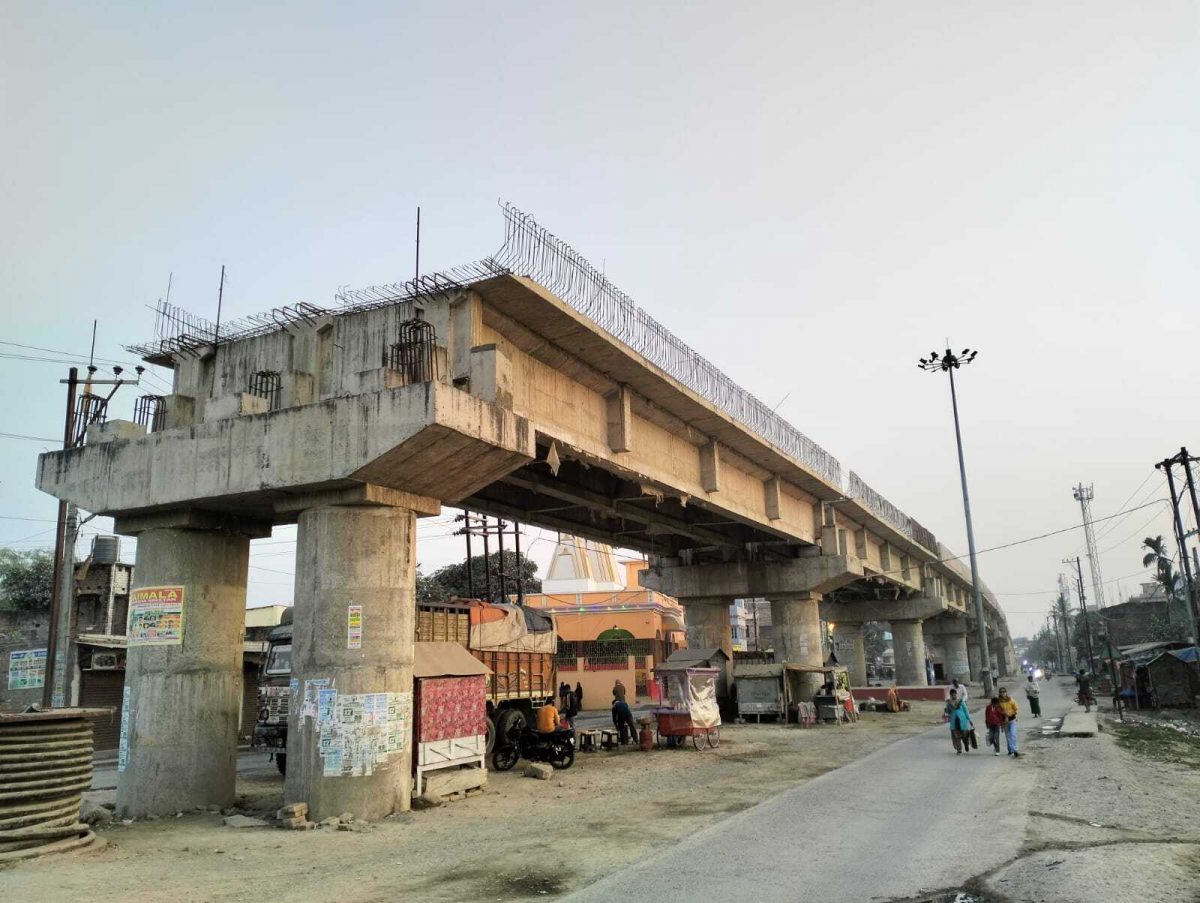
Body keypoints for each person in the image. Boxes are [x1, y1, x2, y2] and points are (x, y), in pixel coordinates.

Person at [944, 689, 973, 755]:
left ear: (956, 694)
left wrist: (969, 719)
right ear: (950, 695)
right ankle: (959, 750)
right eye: (952, 695)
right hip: (954, 722)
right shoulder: (949, 703)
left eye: (955, 694)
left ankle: (966, 744)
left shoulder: (961, 702)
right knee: (957, 736)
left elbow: (966, 711)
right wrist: (946, 709)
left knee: (965, 736)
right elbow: (947, 712)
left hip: (962, 721)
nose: (954, 696)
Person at [997, 687, 1020, 757]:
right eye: (1001, 692)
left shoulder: (1010, 700)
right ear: (999, 693)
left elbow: (1016, 709)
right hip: (1004, 722)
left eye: (1004, 691)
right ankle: (1010, 750)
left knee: (1013, 734)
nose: (1002, 693)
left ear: (1006, 692)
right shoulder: (998, 702)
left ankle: (1015, 750)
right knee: (1008, 736)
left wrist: (1011, 713)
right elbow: (997, 712)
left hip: (1012, 720)